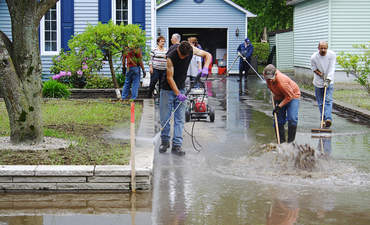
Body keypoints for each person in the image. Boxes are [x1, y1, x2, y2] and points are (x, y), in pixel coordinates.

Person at [159, 41, 212, 155]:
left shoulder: (191, 49)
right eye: (180, 55)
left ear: (188, 54)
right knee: (165, 118)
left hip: (182, 86)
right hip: (167, 89)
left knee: (180, 119)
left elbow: (208, 55)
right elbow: (169, 78)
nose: (181, 58)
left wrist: (205, 68)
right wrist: (178, 94)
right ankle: (164, 142)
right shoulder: (171, 56)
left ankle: (177, 145)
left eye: (184, 57)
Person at [263, 64, 301, 143]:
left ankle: (291, 143)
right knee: (278, 120)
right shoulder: (266, 75)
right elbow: (271, 87)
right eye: (267, 79)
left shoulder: (282, 81)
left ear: (275, 74)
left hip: (292, 95)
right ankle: (281, 143)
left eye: (271, 79)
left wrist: (279, 107)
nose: (269, 80)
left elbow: (289, 96)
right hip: (279, 96)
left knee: (292, 118)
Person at [310, 41, 336, 128]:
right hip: (318, 82)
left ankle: (328, 119)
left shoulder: (332, 55)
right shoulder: (314, 57)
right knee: (321, 103)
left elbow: (332, 68)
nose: (323, 50)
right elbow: (314, 68)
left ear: (327, 48)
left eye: (325, 48)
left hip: (329, 81)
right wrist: (321, 74)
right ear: (318, 48)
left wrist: (328, 79)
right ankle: (323, 119)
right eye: (321, 48)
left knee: (328, 100)